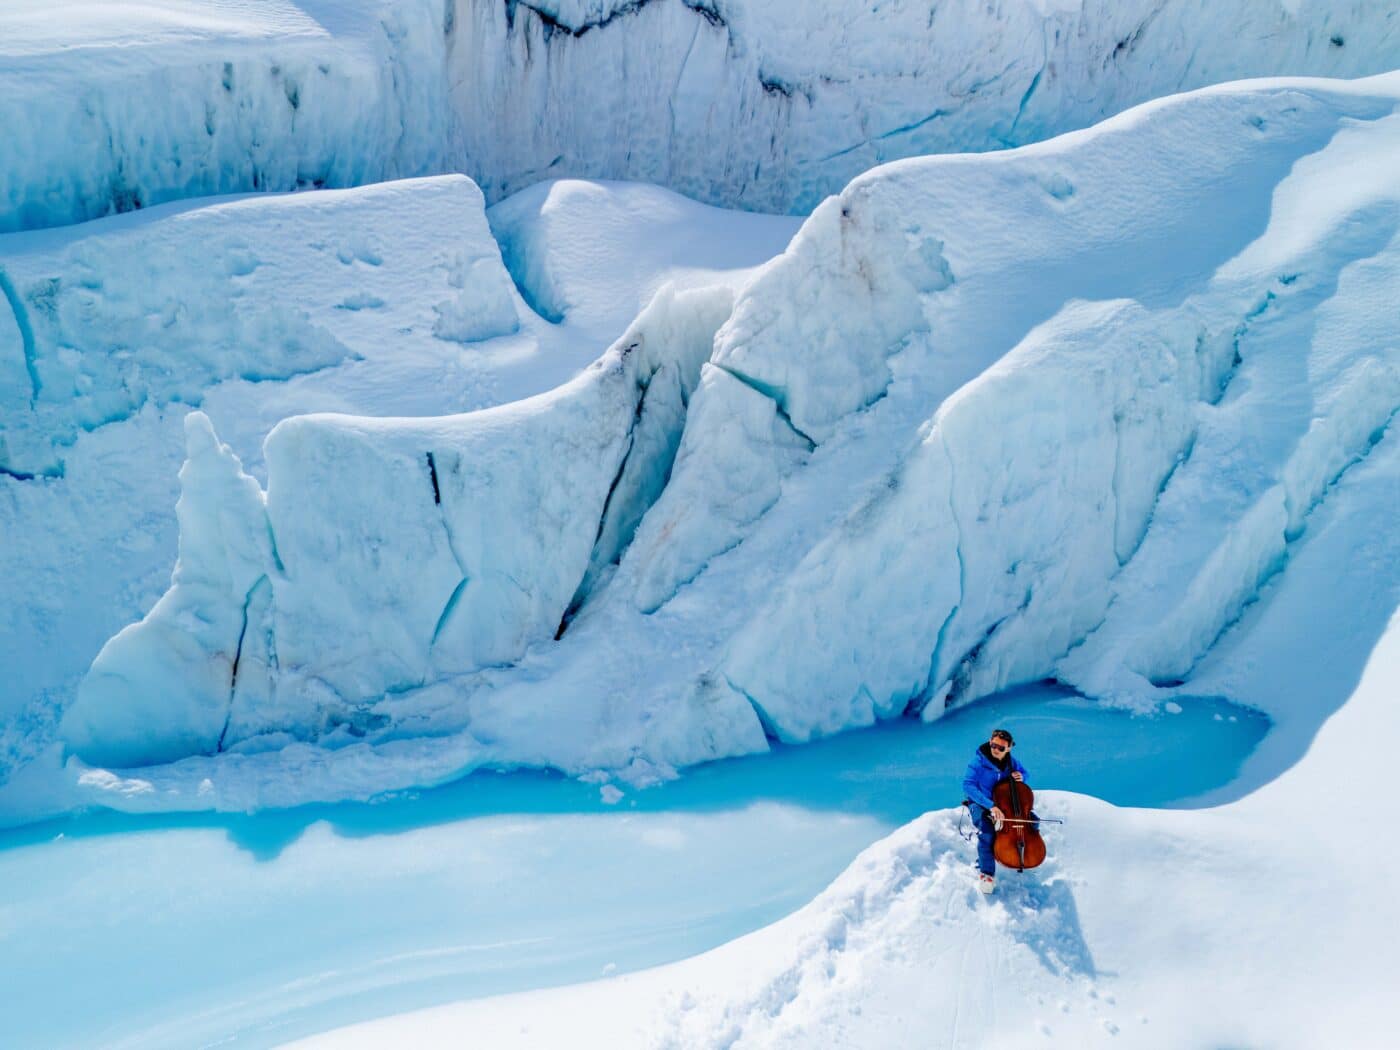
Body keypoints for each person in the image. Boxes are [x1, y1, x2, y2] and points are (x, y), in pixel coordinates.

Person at [961, 728, 1027, 894]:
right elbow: (967, 785)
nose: (996, 750)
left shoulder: (1011, 762)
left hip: (1004, 803)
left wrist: (1022, 777)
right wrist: (990, 805)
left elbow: (1025, 773)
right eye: (993, 745)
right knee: (987, 832)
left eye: (1001, 748)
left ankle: (1017, 855)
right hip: (980, 803)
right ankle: (986, 873)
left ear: (1009, 748)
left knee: (1032, 823)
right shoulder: (978, 762)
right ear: (990, 742)